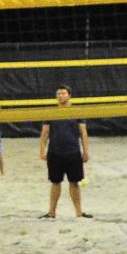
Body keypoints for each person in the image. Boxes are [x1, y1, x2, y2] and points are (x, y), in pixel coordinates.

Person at [37, 87, 89, 218]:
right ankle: (52, 212)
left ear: (69, 95)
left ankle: (79, 212)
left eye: (63, 93)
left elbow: (83, 133)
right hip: (55, 153)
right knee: (55, 183)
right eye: (58, 93)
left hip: (73, 152)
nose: (60, 96)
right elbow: (45, 133)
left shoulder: (76, 112)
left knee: (74, 183)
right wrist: (42, 151)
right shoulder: (51, 112)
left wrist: (86, 151)